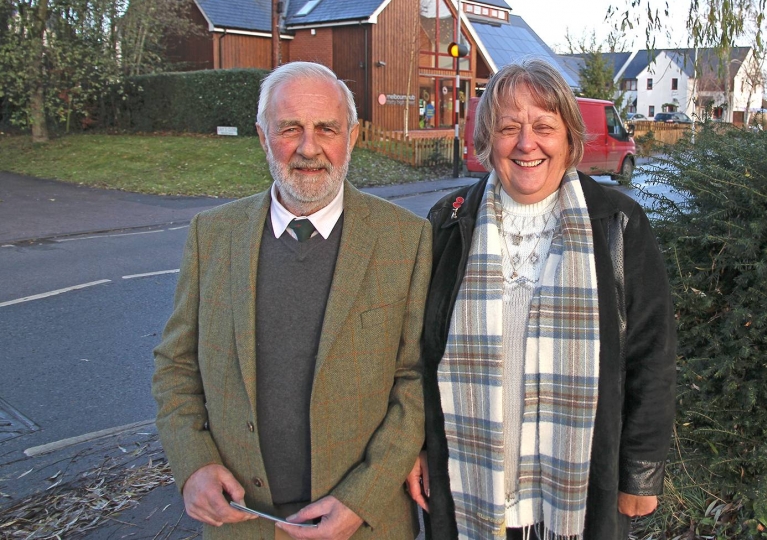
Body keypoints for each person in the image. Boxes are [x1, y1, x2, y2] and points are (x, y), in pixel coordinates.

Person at [152, 61, 432, 540]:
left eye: (326, 128)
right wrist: (192, 464)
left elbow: (417, 381)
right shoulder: (211, 236)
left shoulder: (406, 240)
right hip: (243, 522)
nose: (309, 147)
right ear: (263, 137)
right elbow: (177, 366)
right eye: (290, 129)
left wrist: (360, 498)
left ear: (353, 135)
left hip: (364, 524)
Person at [405, 57, 676, 540]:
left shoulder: (617, 224)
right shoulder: (447, 222)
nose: (526, 143)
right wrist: (416, 446)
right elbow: (417, 354)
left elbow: (651, 356)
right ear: (488, 142)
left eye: (544, 127)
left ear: (570, 138)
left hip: (580, 485)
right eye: (509, 127)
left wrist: (640, 472)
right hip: (470, 486)